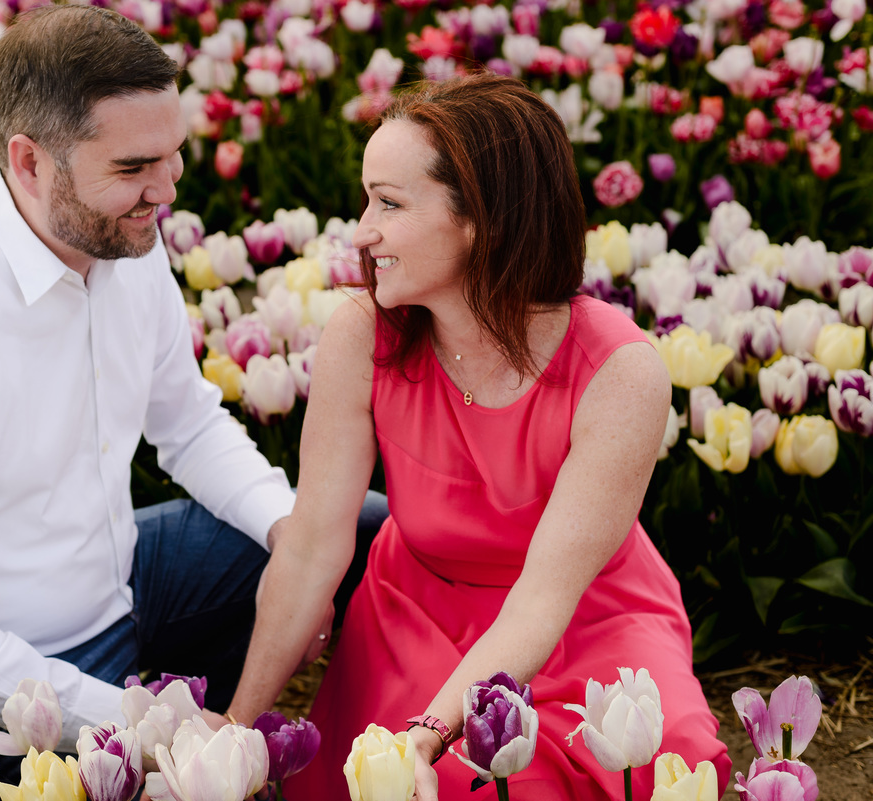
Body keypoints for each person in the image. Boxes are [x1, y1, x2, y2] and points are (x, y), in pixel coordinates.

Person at [0, 4, 385, 753]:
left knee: (353, 530)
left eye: (172, 156)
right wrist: (133, 720)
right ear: (29, 162)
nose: (167, 192)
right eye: (132, 169)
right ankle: (199, 734)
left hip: (121, 571)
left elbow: (186, 422)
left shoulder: (126, 238)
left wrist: (294, 542)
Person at [225, 73, 730, 800]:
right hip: (415, 610)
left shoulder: (619, 371)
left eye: (389, 204)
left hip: (583, 619)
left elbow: (540, 602)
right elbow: (310, 550)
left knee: (506, 779)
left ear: (481, 218)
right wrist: (237, 732)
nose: (361, 230)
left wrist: (429, 736)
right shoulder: (362, 335)